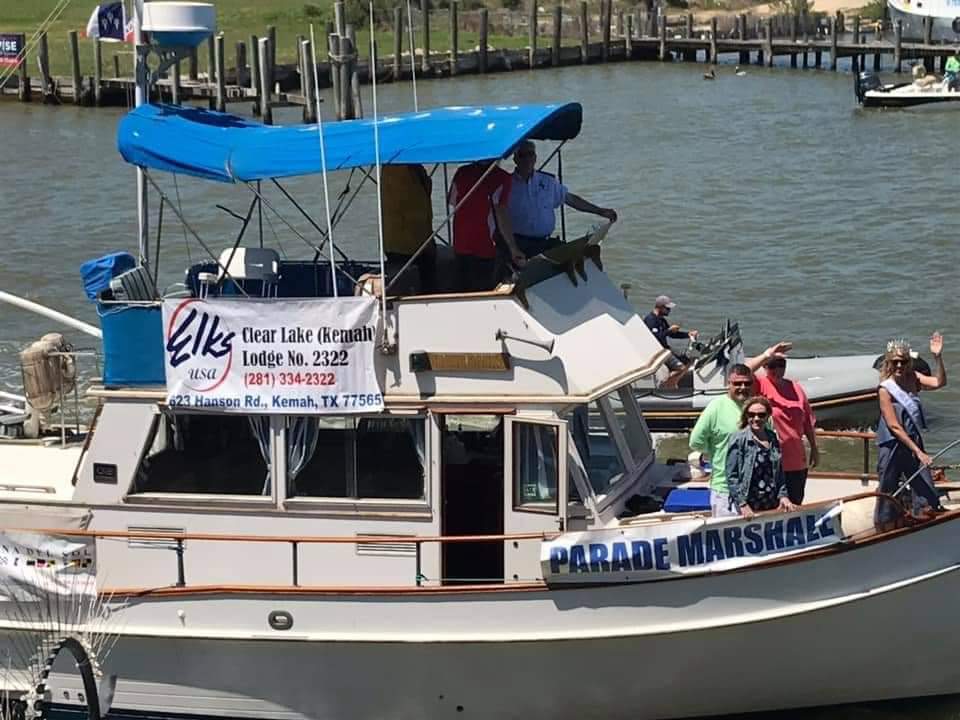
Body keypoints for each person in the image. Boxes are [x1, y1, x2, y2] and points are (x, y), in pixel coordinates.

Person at [875, 334, 947, 522]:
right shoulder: (885, 389)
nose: (899, 366)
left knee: (926, 488)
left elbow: (939, 382)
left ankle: (924, 515)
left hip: (913, 440)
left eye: (903, 362)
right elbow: (893, 426)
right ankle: (883, 524)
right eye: (895, 362)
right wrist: (918, 452)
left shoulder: (914, 378)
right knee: (888, 487)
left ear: (908, 362)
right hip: (891, 444)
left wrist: (938, 357)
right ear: (889, 362)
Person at [507, 140, 618, 258]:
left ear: (535, 157)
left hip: (545, 242)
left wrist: (599, 211)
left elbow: (571, 200)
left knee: (579, 255)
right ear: (515, 159)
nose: (527, 159)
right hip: (519, 244)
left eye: (530, 154)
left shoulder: (548, 181)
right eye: (522, 155)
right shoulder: (506, 185)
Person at [744, 347, 819, 504]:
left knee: (796, 503)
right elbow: (744, 371)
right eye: (772, 366)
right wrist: (767, 355)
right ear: (765, 367)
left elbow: (807, 421)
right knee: (772, 506)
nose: (777, 370)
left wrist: (814, 447)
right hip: (771, 462)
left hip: (797, 460)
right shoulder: (760, 385)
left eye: (781, 365)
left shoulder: (796, 387)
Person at [449, 159, 526, 292]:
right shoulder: (502, 177)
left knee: (463, 285)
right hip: (485, 244)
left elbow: (451, 200)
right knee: (485, 286)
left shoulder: (462, 172)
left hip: (461, 240)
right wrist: (513, 248)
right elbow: (501, 212)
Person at [689, 363, 755, 517]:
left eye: (747, 383)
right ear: (728, 384)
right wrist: (716, 451)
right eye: (737, 383)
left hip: (755, 488)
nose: (743, 387)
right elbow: (695, 442)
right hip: (725, 489)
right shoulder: (716, 407)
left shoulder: (757, 408)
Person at [725, 396, 797, 518]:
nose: (756, 418)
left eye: (761, 415)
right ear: (746, 416)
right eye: (751, 415)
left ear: (768, 416)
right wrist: (742, 504)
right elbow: (731, 476)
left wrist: (783, 496)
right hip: (748, 504)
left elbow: (779, 473)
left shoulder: (773, 438)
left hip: (771, 502)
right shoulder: (738, 439)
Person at [381, 164, 436, 293]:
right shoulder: (397, 171)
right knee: (422, 285)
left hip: (406, 241)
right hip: (409, 243)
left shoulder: (406, 168)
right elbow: (415, 208)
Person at [643, 295, 698, 388]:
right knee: (681, 368)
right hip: (658, 352)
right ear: (660, 307)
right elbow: (655, 337)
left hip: (666, 350)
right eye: (667, 308)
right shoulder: (651, 320)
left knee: (688, 360)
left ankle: (671, 383)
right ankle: (668, 385)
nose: (669, 311)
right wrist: (669, 330)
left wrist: (688, 334)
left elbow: (672, 335)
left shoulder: (662, 320)